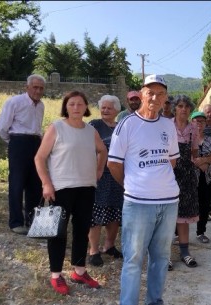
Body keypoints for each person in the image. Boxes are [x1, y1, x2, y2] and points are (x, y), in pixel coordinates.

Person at [108, 74, 180, 305]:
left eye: (160, 94)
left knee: (161, 257)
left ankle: (154, 301)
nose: (155, 98)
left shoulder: (168, 125)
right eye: (150, 92)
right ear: (141, 94)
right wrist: (133, 184)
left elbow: (172, 160)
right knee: (133, 260)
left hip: (168, 202)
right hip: (138, 203)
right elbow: (113, 164)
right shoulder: (127, 124)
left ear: (165, 98)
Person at [34, 91, 107, 295]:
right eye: (71, 104)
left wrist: (99, 169)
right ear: (66, 107)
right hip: (61, 188)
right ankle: (56, 275)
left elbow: (102, 150)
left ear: (86, 107)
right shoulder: (57, 128)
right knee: (58, 232)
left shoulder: (90, 130)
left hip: (86, 186)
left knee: (82, 229)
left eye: (80, 104)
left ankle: (79, 270)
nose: (76, 107)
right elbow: (39, 158)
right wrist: (46, 183)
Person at [0, 74, 46, 235]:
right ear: (27, 87)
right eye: (35, 87)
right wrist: (14, 143)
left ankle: (32, 221)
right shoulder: (14, 102)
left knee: (35, 184)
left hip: (36, 143)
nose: (38, 91)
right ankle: (16, 222)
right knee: (17, 183)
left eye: (41, 88)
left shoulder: (41, 106)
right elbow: (3, 127)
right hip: (18, 142)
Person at [87, 95, 125, 267]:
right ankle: (93, 250)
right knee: (96, 213)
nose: (105, 110)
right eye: (103, 107)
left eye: (109, 108)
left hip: (117, 175)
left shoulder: (121, 127)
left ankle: (109, 244)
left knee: (115, 212)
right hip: (99, 175)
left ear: (117, 110)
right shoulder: (94, 125)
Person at [171, 95, 200, 269]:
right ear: (175, 108)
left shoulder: (193, 128)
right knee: (168, 215)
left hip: (187, 175)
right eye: (180, 106)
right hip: (169, 174)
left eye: (186, 106)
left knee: (184, 215)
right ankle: (165, 253)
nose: (183, 109)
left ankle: (184, 252)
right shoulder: (166, 125)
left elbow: (194, 152)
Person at [191, 111, 211, 243]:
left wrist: (205, 161)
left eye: (201, 121)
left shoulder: (210, 140)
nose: (199, 124)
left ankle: (200, 231)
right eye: (196, 121)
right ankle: (178, 233)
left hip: (207, 177)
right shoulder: (187, 138)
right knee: (186, 204)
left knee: (204, 204)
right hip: (190, 177)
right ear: (191, 122)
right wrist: (197, 163)